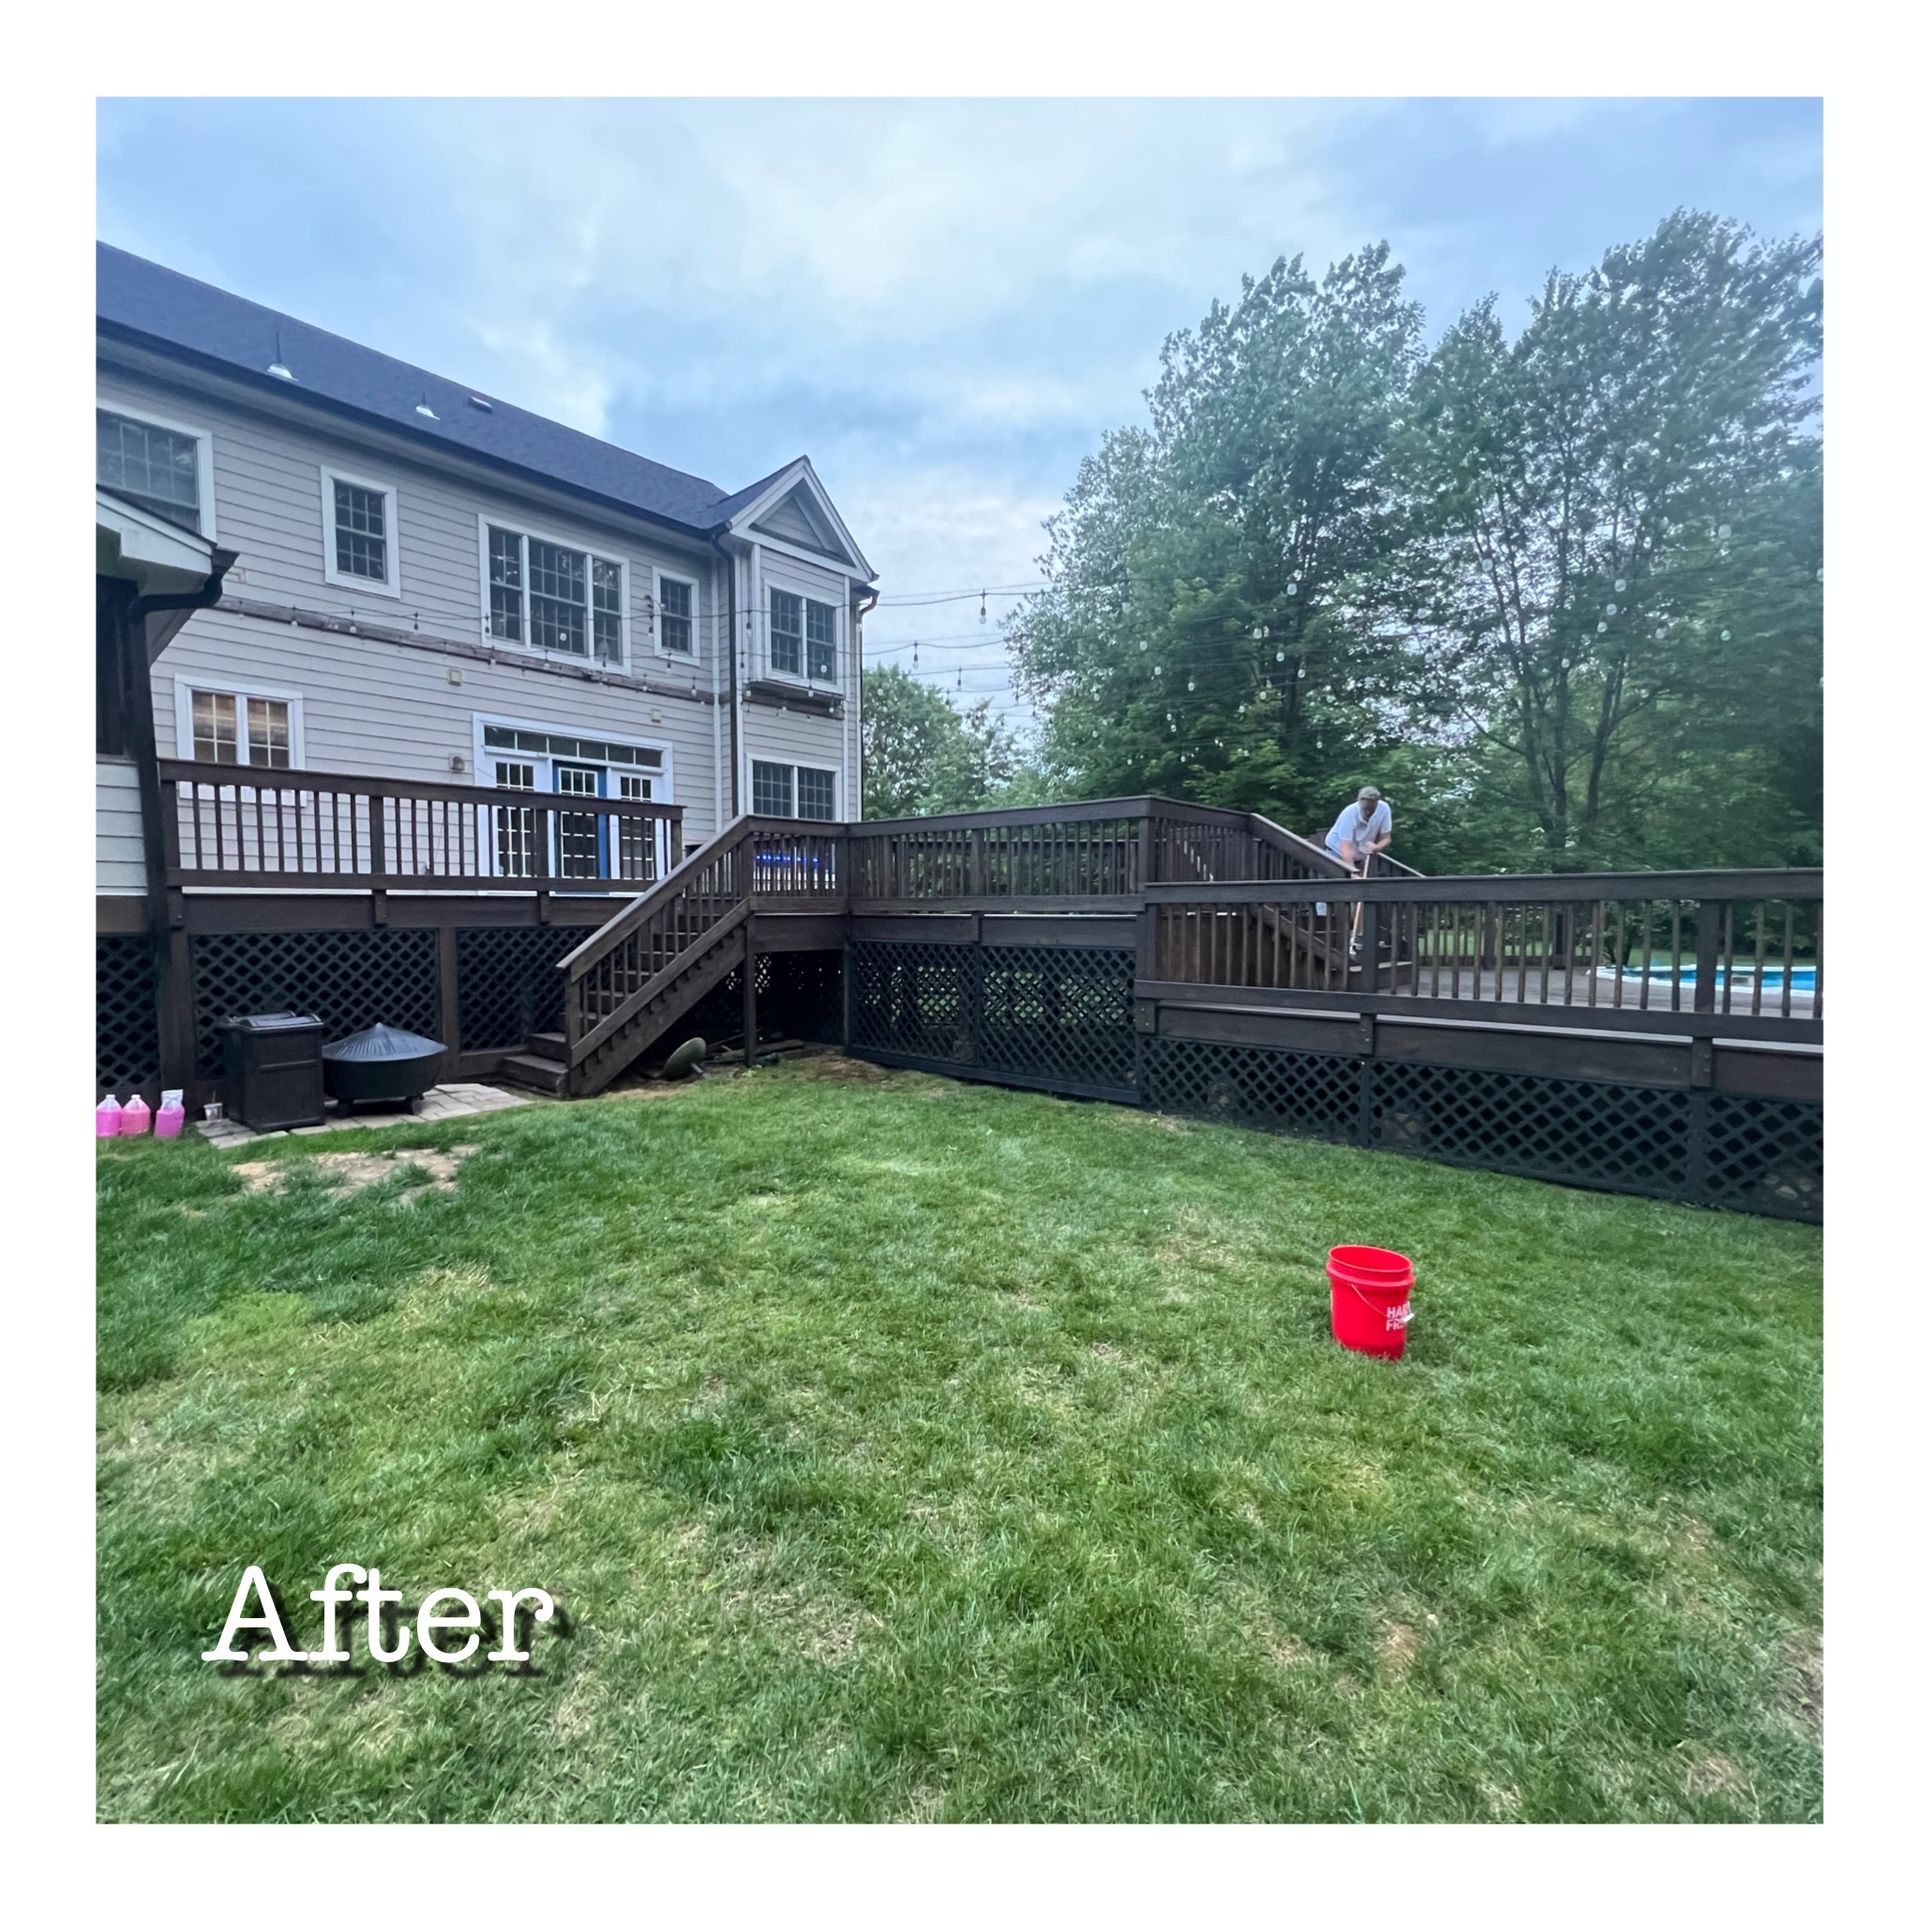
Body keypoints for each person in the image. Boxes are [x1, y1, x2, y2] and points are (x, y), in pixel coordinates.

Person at [1324, 786, 1394, 957]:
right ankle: (1328, 928)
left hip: (1361, 854)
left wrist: (1377, 847)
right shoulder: (1350, 813)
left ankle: (1358, 936)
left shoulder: (1384, 809)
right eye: (1365, 807)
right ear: (1359, 801)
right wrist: (1353, 872)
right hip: (1336, 852)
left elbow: (1386, 837)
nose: (1368, 811)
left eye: (1371, 807)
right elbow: (1344, 846)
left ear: (1377, 803)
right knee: (1334, 892)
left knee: (1361, 895)